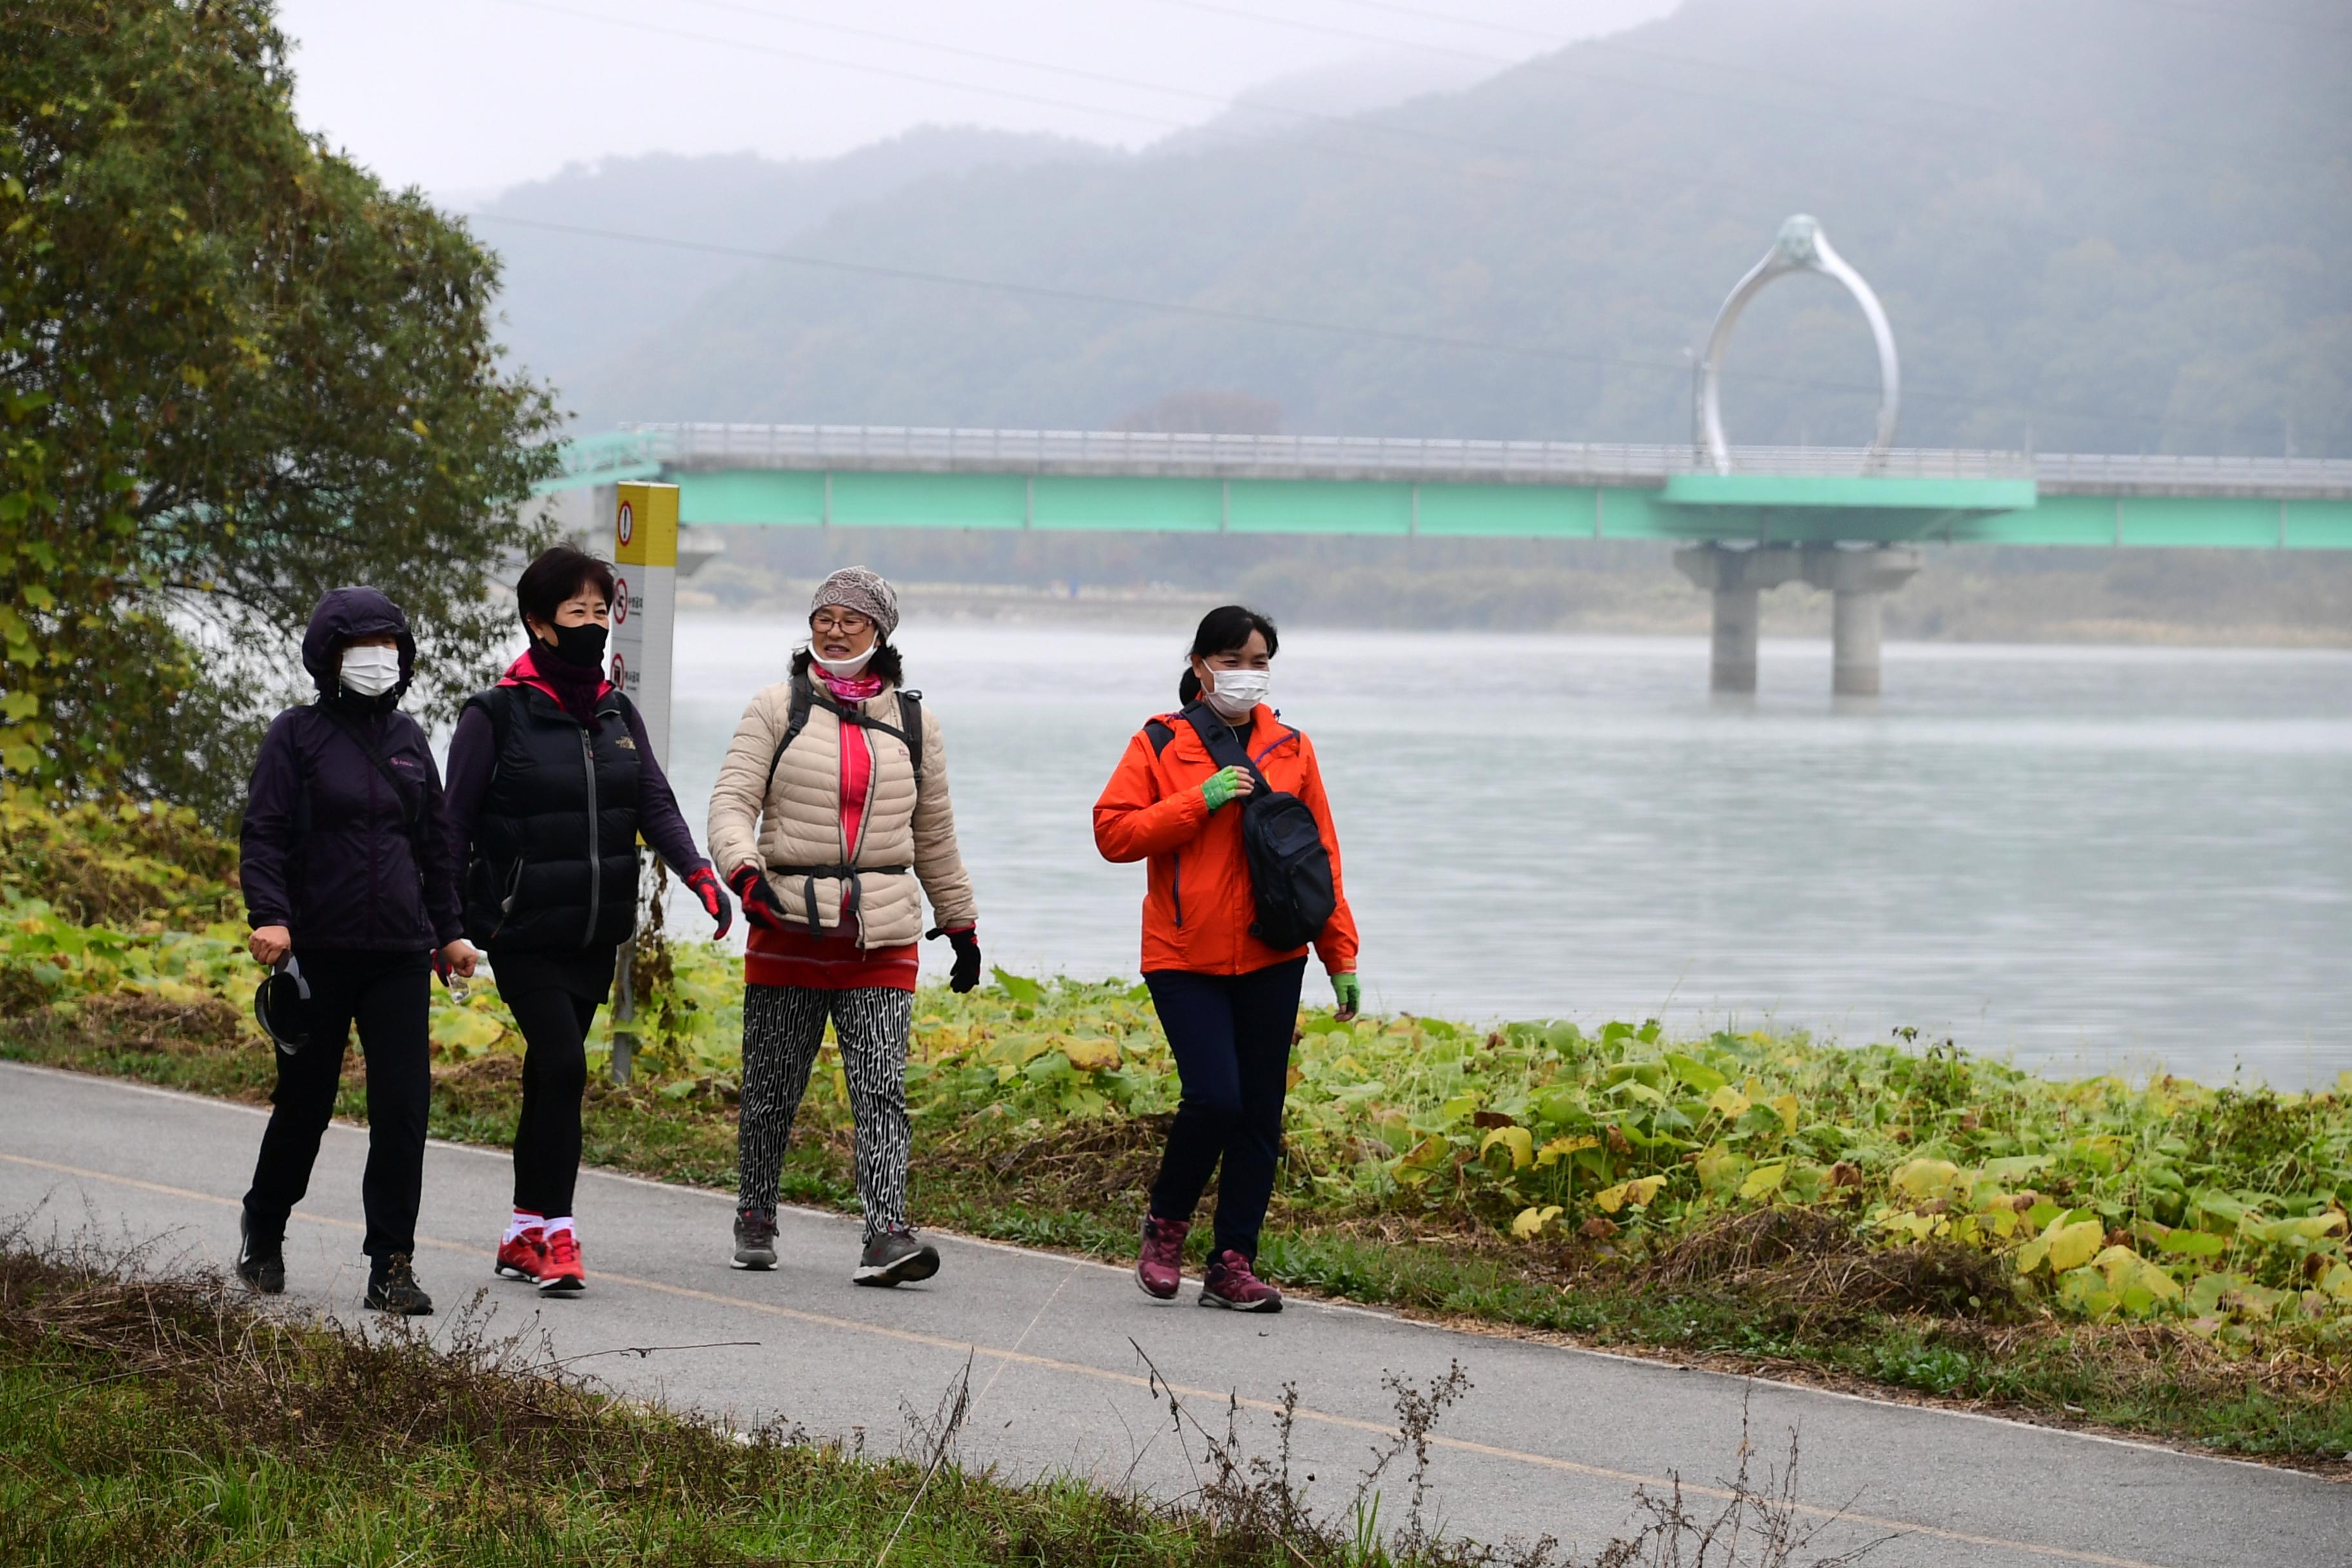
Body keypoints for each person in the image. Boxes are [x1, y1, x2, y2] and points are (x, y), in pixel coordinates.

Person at [442, 545, 729, 1296]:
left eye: (603, 611)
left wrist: (698, 873)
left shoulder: (614, 710)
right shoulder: (494, 714)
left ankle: (520, 1230)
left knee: (550, 1075)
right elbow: (450, 828)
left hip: (594, 930)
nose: (594, 625)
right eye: (578, 612)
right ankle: (560, 1237)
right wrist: (446, 926)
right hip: (521, 928)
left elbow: (652, 801)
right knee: (566, 1065)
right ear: (539, 623)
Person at [707, 567, 980, 1286]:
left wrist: (961, 923)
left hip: (881, 931)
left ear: (880, 632)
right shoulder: (776, 706)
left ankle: (886, 1231)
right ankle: (757, 1212)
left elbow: (935, 834)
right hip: (788, 920)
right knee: (771, 1088)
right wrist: (744, 874)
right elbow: (732, 802)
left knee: (881, 1086)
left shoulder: (915, 722)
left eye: (851, 618)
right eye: (823, 616)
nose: (834, 628)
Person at [1093, 605, 1360, 1313]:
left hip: (1274, 953)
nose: (1250, 673)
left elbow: (1319, 859)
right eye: (1237, 659)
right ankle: (1166, 1226)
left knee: (1259, 1113)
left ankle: (1233, 1262)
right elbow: (1114, 833)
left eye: (1262, 659)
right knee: (1215, 1096)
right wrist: (1197, 801)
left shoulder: (1294, 747)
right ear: (1201, 663)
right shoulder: (1161, 740)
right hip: (1183, 953)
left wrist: (1341, 954)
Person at [237, 587, 478, 1316]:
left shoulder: (409, 739)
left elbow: (435, 848)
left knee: (405, 1107)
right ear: (327, 654)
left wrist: (451, 932)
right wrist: (271, 918)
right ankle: (265, 1226)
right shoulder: (295, 735)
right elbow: (264, 834)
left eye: (389, 644)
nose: (378, 658)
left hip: (400, 952)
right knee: (305, 1105)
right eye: (360, 645)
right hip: (316, 951)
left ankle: (391, 1263)